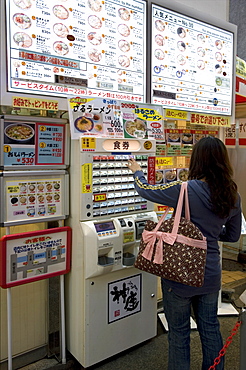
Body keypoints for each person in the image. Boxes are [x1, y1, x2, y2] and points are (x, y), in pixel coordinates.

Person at [127, 136, 242, 370]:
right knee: (210, 327)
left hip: (180, 275)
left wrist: (137, 171)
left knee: (179, 333)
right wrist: (208, 236)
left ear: (196, 160)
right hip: (210, 274)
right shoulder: (233, 194)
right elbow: (232, 236)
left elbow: (145, 190)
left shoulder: (185, 190)